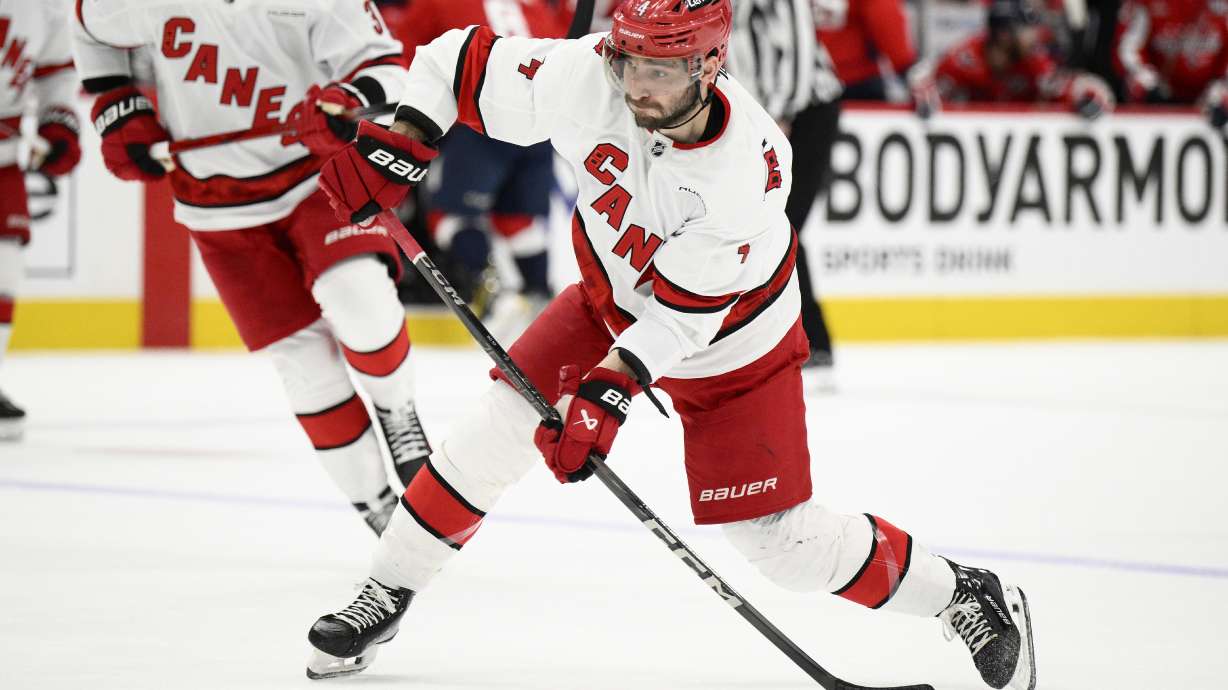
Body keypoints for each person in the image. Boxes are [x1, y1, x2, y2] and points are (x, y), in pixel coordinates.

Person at [304, 1, 1036, 688]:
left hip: (735, 346)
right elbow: (450, 60)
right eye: (629, 62)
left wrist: (605, 394)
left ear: (709, 67)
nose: (636, 86)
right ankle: (385, 591)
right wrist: (405, 138)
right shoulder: (591, 73)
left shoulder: (746, 170)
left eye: (658, 70)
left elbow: (683, 321)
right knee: (496, 430)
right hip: (606, 302)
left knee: (780, 546)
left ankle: (961, 594)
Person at [70, 0, 431, 534]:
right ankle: (376, 506)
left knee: (361, 300)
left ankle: (397, 410)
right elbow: (86, 25)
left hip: (316, 178)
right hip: (214, 202)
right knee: (304, 364)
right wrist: (116, 104)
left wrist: (347, 101)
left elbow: (386, 70)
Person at [385, 0, 572, 343]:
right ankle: (540, 297)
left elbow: (404, 55)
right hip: (541, 130)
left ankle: (490, 289)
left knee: (448, 214)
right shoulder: (536, 5)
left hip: (482, 125)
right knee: (518, 220)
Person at [728, 0, 843, 389]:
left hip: (802, 110)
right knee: (757, 226)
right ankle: (775, 341)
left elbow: (799, 42)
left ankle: (812, 343)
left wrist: (778, 114)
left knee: (781, 226)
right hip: (761, 114)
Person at [0, 1, 83, 440]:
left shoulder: (41, 4)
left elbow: (56, 71)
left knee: (4, 269)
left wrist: (58, 123)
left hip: (3, 158)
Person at [923, 0, 1115, 118]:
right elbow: (926, 86)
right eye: (1026, 29)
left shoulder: (1033, 61)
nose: (1035, 36)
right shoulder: (964, 59)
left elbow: (1069, 86)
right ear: (1004, 35)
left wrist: (1089, 94)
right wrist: (927, 97)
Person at [1114, 0, 1228, 131]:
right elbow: (1127, 48)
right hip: (1157, 103)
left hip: (1211, 104)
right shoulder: (1145, 4)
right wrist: (1146, 83)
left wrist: (1222, 90)